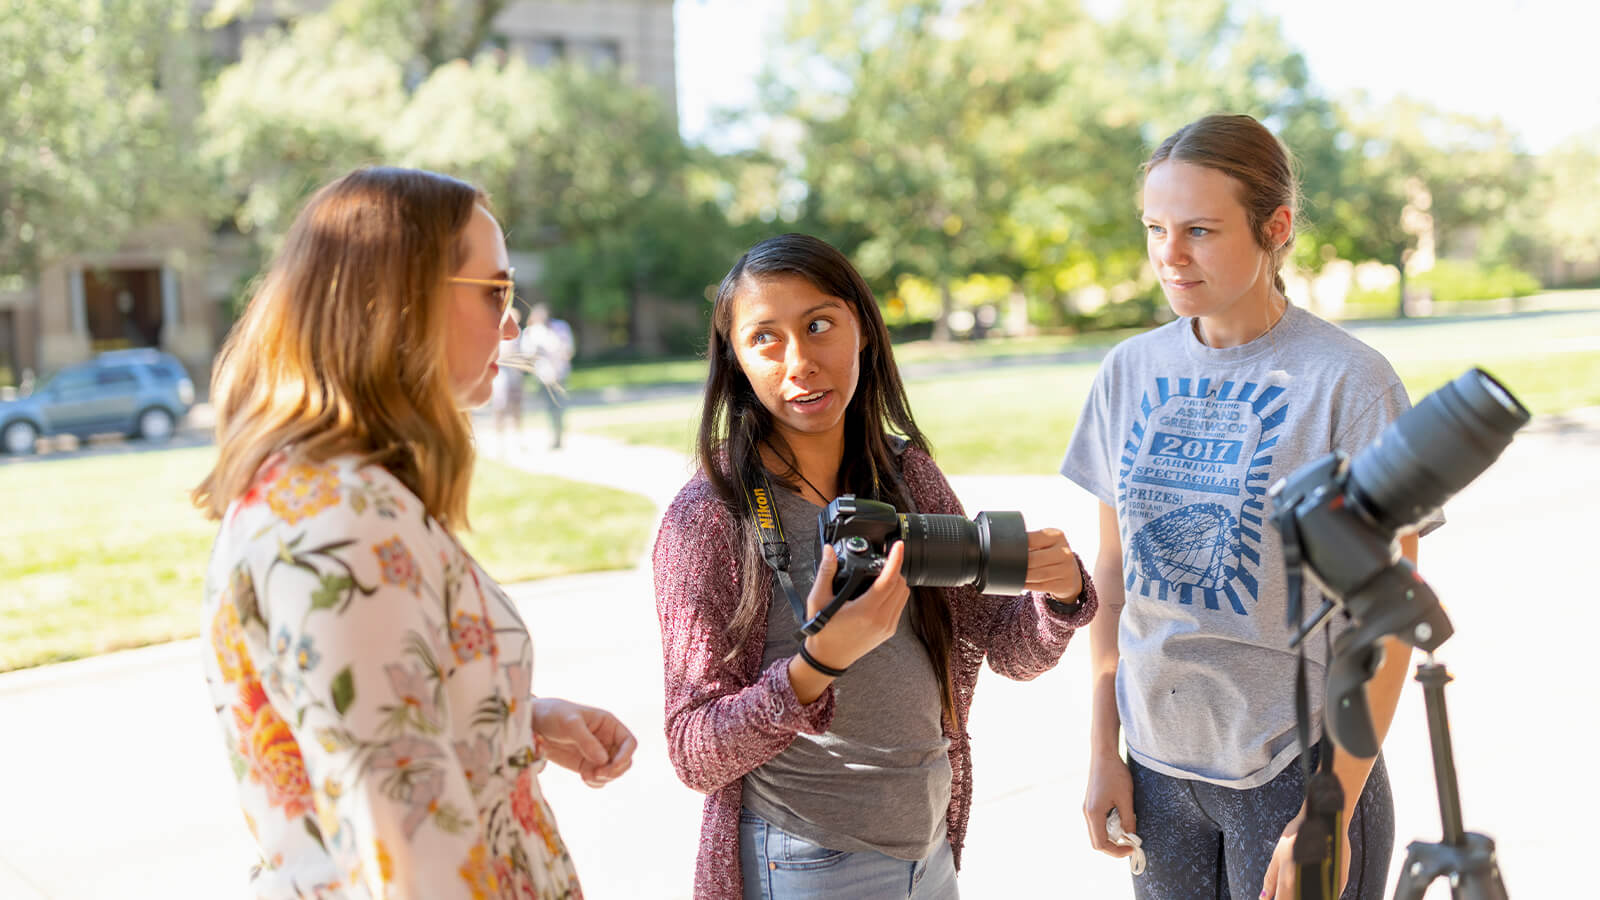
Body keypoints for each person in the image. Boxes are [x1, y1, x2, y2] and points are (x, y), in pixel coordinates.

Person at [193, 167, 636, 899]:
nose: (513, 322)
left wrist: (513, 723)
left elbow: (374, 734)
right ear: (398, 300)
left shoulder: (345, 492)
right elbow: (405, 856)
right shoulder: (341, 519)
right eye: (495, 292)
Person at [1061, 114, 1442, 900]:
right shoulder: (1128, 372)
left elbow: (1390, 616)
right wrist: (1104, 748)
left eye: (1199, 229)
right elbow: (1114, 573)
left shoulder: (1349, 385)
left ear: (1277, 227)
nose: (1170, 254)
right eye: (1156, 228)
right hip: (1158, 772)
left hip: (1297, 770)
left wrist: (1329, 807)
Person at [653, 233, 1099, 900]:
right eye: (765, 339)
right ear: (737, 361)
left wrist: (1059, 595)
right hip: (806, 858)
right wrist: (816, 667)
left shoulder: (905, 472)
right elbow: (693, 750)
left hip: (931, 847)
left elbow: (1006, 644)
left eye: (819, 325)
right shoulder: (710, 516)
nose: (799, 361)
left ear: (863, 329)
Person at [520, 302, 574, 449]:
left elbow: (567, 349)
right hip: (544, 376)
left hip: (560, 372)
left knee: (560, 406)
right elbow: (527, 356)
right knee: (549, 407)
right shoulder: (530, 332)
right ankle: (554, 436)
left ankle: (559, 436)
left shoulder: (560, 327)